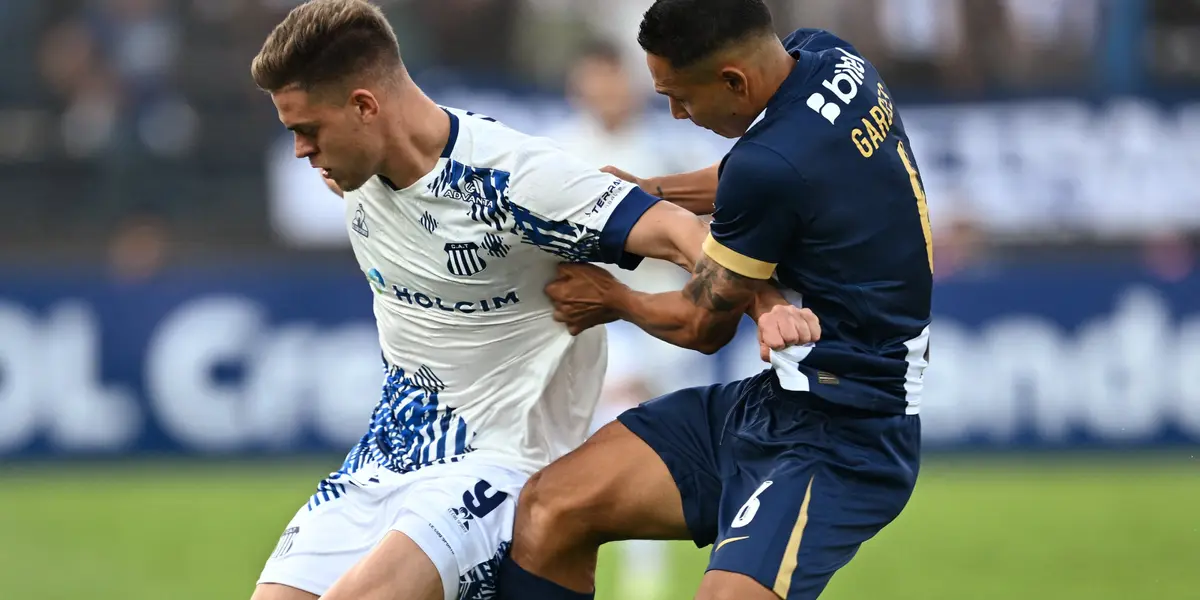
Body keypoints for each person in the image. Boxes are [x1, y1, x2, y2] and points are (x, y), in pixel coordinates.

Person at [246, 2, 816, 600]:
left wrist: (768, 304)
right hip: (381, 457)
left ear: (365, 107)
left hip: (494, 465)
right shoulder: (353, 164)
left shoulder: (512, 180)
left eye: (307, 131)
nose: (301, 153)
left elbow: (677, 231)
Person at [499, 1, 933, 599]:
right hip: (768, 406)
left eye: (680, 97)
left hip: (845, 436)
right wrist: (646, 191)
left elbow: (702, 327)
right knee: (551, 507)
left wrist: (609, 297)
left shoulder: (771, 166)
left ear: (734, 81)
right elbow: (750, 177)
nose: (676, 114)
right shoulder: (829, 58)